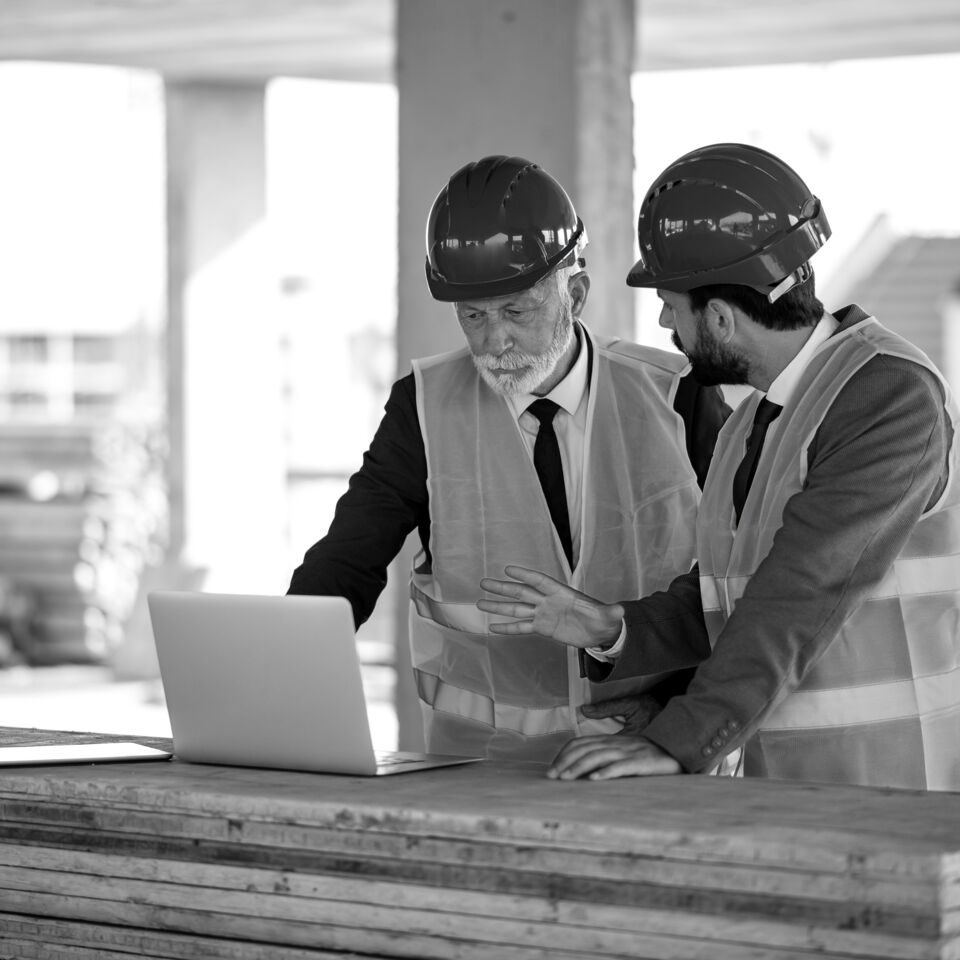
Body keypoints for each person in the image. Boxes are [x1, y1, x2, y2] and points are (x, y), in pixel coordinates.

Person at [478, 143, 960, 790]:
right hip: (789, 790)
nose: (662, 321)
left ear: (723, 318)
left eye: (672, 306)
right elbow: (726, 593)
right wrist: (614, 625)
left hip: (897, 791)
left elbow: (804, 587)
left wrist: (679, 741)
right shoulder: (754, 422)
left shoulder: (888, 397)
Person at [289, 154, 729, 762]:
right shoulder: (422, 406)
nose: (494, 340)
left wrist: (680, 710)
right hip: (479, 769)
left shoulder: (679, 395)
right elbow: (348, 559)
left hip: (646, 758)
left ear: (573, 293)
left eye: (516, 312)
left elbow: (737, 578)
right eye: (473, 316)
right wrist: (280, 673)